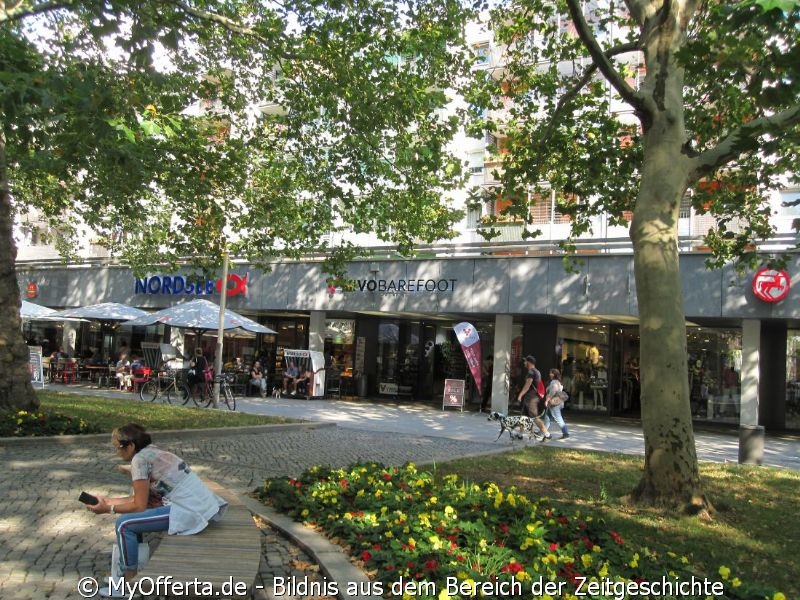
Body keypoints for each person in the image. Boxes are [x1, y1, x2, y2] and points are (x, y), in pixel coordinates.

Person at [85, 423, 227, 596]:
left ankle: (129, 583)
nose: (116, 452)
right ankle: (131, 570)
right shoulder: (151, 452)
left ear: (130, 446)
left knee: (124, 525)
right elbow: (139, 500)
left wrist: (109, 508)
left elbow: (138, 505)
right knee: (130, 518)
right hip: (198, 504)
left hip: (189, 510)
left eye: (117, 447)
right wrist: (105, 501)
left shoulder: (139, 461)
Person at [516, 355, 550, 441]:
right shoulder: (537, 372)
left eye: (525, 361)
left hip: (531, 398)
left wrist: (520, 395)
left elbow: (528, 385)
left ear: (529, 362)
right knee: (523, 417)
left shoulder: (531, 372)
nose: (524, 363)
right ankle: (520, 435)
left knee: (534, 417)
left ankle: (547, 434)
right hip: (531, 397)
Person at [543, 368, 570, 440]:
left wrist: (547, 400)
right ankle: (542, 432)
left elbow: (552, 392)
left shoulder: (554, 382)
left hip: (553, 403)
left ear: (554, 374)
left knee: (558, 418)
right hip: (556, 403)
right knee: (547, 418)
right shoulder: (558, 382)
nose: (549, 374)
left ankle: (565, 433)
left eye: (551, 373)